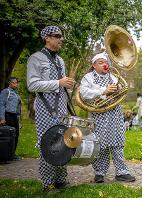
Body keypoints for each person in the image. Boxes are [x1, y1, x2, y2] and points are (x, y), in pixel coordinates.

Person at [27, 25, 74, 192]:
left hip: (61, 108)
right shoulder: (35, 58)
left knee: (63, 142)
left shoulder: (60, 60)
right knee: (47, 143)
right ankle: (47, 183)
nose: (61, 39)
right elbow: (32, 84)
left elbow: (61, 85)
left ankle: (61, 179)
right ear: (47, 38)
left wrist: (67, 86)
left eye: (61, 36)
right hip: (45, 109)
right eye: (57, 36)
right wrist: (58, 83)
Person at [80, 52, 135, 184]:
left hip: (115, 114)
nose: (105, 64)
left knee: (117, 143)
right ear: (93, 65)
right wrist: (104, 91)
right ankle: (99, 173)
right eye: (100, 62)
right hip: (99, 115)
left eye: (105, 63)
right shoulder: (88, 78)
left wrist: (119, 88)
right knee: (101, 144)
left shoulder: (113, 77)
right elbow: (84, 93)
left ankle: (122, 172)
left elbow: (120, 92)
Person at [0, 77, 22, 161]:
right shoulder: (6, 92)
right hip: (7, 115)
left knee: (15, 135)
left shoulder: (16, 94)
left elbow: (18, 108)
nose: (16, 84)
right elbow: (1, 104)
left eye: (17, 83)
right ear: (10, 83)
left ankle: (12, 154)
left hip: (14, 116)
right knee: (9, 135)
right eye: (14, 83)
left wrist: (19, 120)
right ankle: (7, 154)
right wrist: (2, 118)